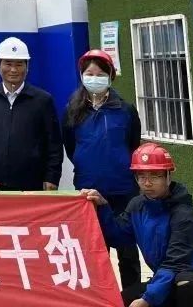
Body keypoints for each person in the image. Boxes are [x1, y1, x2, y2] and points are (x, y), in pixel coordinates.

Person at [82, 144, 193, 307]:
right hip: (164, 281)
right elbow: (118, 236)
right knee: (122, 300)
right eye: (141, 176)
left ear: (168, 176)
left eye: (155, 176)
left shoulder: (184, 215)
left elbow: (175, 264)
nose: (147, 183)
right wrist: (102, 206)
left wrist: (148, 299)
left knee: (186, 285)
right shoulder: (137, 206)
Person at [63, 48, 143, 290]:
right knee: (96, 251)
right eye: (89, 74)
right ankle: (102, 297)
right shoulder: (72, 110)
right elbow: (71, 147)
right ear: (82, 76)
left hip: (123, 192)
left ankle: (131, 297)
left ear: (110, 77)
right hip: (88, 192)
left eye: (100, 74)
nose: (94, 78)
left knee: (128, 252)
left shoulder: (125, 110)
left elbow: (132, 144)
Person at [0, 36, 63, 191]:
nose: (13, 70)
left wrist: (52, 177)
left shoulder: (42, 100)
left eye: (19, 64)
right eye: (8, 64)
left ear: (27, 67)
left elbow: (54, 143)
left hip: (33, 183)